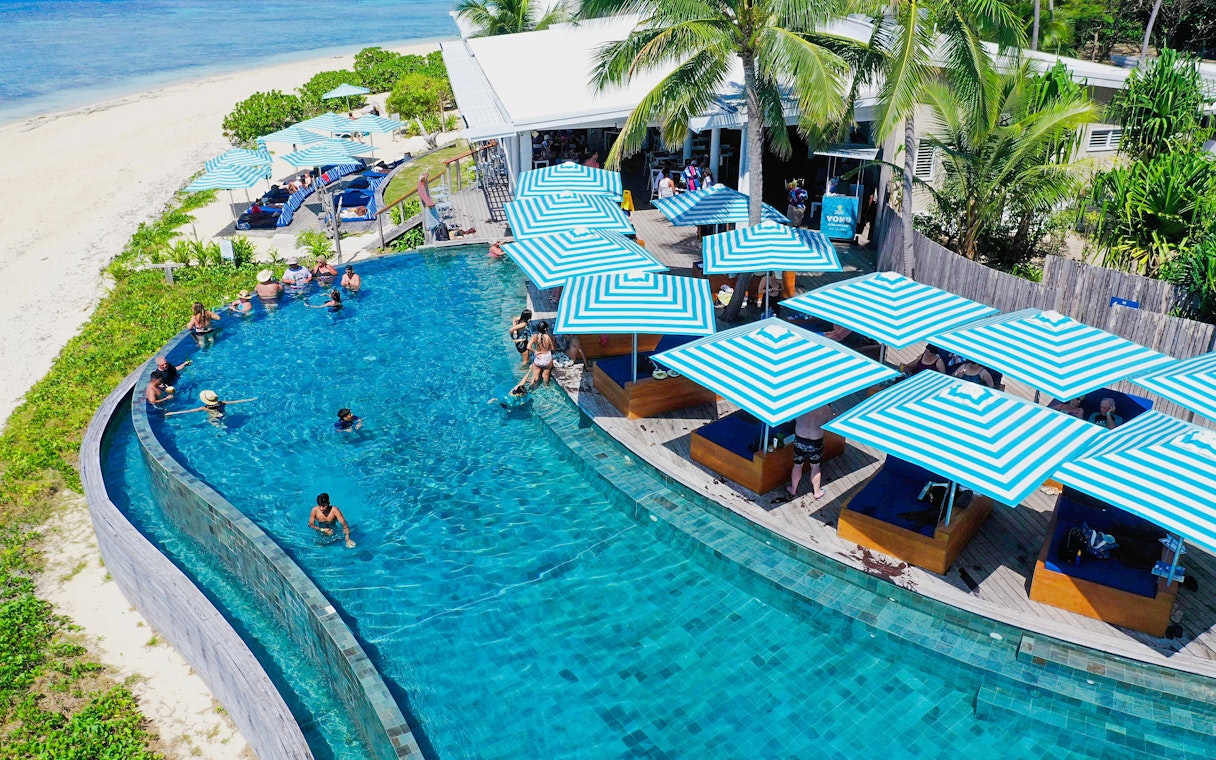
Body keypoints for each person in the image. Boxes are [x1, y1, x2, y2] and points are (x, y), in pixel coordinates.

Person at [789, 404, 835, 500]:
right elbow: (831, 423)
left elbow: (788, 420)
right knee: (815, 466)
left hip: (800, 439)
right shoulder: (826, 408)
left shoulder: (801, 405)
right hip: (816, 441)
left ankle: (793, 489)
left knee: (797, 465)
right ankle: (817, 492)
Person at [164, 390, 256, 420]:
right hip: (224, 414)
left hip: (215, 417)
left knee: (211, 421)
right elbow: (236, 401)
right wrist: (249, 399)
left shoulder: (204, 408)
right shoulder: (222, 402)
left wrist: (172, 413)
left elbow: (189, 411)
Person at [527, 321, 558, 387]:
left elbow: (528, 347)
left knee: (535, 377)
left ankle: (531, 388)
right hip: (547, 358)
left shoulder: (534, 336)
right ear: (545, 329)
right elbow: (553, 349)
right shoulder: (549, 337)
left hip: (538, 357)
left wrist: (535, 352)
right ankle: (546, 387)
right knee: (545, 376)